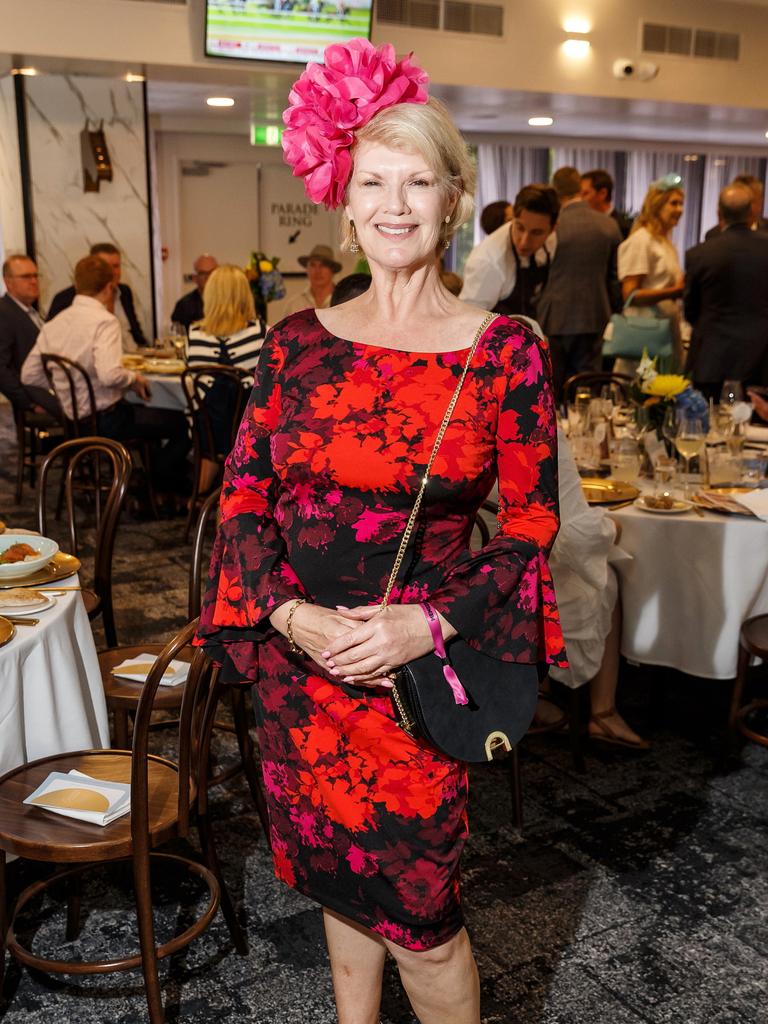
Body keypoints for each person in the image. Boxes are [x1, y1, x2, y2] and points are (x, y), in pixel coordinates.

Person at [195, 38, 566, 1024]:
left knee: (426, 920)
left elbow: (531, 528)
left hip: (409, 685)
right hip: (303, 673)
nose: (395, 204)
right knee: (338, 876)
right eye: (374, 182)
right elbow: (240, 503)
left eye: (418, 182)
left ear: (453, 200)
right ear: (343, 199)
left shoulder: (505, 354)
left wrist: (423, 625)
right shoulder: (295, 343)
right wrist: (287, 616)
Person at [22, 255, 190, 501]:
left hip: (74, 421)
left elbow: (29, 374)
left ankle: (149, 481)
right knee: (180, 422)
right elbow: (109, 373)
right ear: (110, 286)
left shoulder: (55, 324)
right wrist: (135, 379)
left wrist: (64, 387)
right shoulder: (104, 321)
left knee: (149, 417)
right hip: (107, 421)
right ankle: (159, 482)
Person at [547, 428, 646, 748]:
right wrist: (611, 529)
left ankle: (537, 695)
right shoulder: (534, 421)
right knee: (606, 573)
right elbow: (578, 535)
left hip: (466, 573)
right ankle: (603, 711)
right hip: (522, 589)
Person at [536, 166, 621, 397]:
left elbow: (539, 272)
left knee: (552, 386)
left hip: (554, 315)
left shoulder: (552, 226)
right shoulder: (608, 225)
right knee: (587, 384)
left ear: (556, 190)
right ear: (579, 189)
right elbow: (614, 278)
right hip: (594, 313)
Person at [186, 264, 267, 493]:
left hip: (206, 434)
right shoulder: (262, 333)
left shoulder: (194, 336)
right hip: (248, 435)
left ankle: (201, 496)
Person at [683, 184, 768, 397]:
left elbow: (691, 310)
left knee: (707, 423)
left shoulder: (700, 254)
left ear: (718, 212)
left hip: (712, 355)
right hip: (760, 357)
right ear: (752, 212)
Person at [612, 173, 685, 374]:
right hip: (646, 332)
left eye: (681, 204)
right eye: (674, 203)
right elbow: (631, 295)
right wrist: (674, 291)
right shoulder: (641, 241)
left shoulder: (664, 242)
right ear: (657, 204)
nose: (680, 210)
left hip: (664, 329)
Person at [459, 183, 558, 317]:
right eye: (520, 227)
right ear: (513, 219)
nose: (524, 242)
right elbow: (468, 319)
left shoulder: (551, 241)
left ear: (552, 230)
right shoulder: (487, 261)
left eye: (536, 233)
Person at [47, 242, 148, 351]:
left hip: (134, 359)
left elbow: (136, 334)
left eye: (116, 266)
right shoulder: (65, 298)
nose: (113, 272)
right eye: (106, 266)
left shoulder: (125, 292)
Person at [0, 254, 60, 418]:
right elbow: (1, 368)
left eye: (35, 275)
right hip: (35, 397)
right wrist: (29, 404)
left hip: (51, 389)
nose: (34, 281)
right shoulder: (3, 312)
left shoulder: (31, 311)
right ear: (8, 281)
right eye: (26, 276)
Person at [279, 243, 341, 316]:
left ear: (332, 270)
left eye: (323, 265)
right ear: (307, 269)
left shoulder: (344, 302)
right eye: (313, 265)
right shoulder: (294, 305)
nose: (317, 271)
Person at [704, 173, 768, 239]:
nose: (747, 207)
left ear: (760, 202)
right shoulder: (714, 235)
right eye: (741, 201)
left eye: (751, 201)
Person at [580, 168, 633, 240]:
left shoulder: (622, 227)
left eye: (585, 194)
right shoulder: (583, 225)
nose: (580, 199)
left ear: (602, 193)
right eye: (579, 194)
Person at [171, 253, 219, 331]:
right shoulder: (183, 305)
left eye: (212, 272)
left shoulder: (229, 301)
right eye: (202, 273)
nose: (208, 277)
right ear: (195, 278)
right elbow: (179, 335)